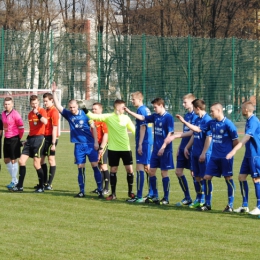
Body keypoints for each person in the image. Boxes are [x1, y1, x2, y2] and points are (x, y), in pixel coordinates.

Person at [173, 102, 239, 212]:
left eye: (212, 111)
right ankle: (207, 204)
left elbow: (236, 141)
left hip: (225, 157)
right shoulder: (211, 123)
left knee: (228, 179)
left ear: (219, 111)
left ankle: (230, 205)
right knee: (207, 178)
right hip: (214, 157)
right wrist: (184, 122)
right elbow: (197, 130)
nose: (211, 113)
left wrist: (231, 153)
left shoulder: (228, 124)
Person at [51, 82, 103, 198]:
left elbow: (93, 127)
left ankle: (100, 190)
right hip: (78, 145)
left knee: (95, 166)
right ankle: (82, 191)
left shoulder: (86, 115)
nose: (72, 109)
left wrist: (95, 142)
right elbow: (58, 106)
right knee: (80, 168)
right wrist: (53, 93)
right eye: (70, 107)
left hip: (89, 144)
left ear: (77, 106)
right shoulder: (69, 115)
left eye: (74, 107)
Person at [125, 97, 174, 205]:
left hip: (165, 150)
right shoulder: (155, 116)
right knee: (151, 171)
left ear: (161, 105)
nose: (154, 109)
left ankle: (166, 198)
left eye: (155, 107)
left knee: (163, 173)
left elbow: (170, 134)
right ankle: (155, 195)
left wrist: (163, 147)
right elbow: (143, 118)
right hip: (156, 150)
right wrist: (129, 112)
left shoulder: (168, 117)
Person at [164, 99, 212, 208]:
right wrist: (185, 146)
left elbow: (200, 132)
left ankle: (206, 201)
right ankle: (199, 199)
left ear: (197, 108)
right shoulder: (199, 118)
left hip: (202, 153)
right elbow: (193, 133)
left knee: (205, 177)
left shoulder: (207, 120)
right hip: (195, 152)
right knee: (197, 176)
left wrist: (204, 152)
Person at [84, 99, 135, 201]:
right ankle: (113, 194)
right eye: (123, 107)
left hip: (126, 149)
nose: (125, 109)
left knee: (129, 170)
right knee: (113, 170)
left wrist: (143, 142)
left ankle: (130, 192)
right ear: (117, 108)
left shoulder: (126, 118)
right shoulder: (108, 117)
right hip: (113, 149)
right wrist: (83, 108)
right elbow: (93, 116)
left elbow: (134, 130)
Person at [226, 101, 260, 215]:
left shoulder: (254, 121)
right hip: (248, 155)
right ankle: (245, 205)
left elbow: (246, 138)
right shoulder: (248, 121)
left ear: (246, 110)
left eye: (242, 108)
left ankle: (259, 206)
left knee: (256, 179)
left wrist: (234, 150)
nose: (240, 110)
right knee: (241, 177)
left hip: (255, 154)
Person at [10, 95, 48, 193]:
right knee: (21, 161)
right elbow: (32, 129)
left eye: (36, 103)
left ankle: (41, 186)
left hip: (39, 139)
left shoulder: (42, 111)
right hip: (31, 139)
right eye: (32, 104)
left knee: (36, 163)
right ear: (30, 104)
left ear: (38, 102)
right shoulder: (30, 114)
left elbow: (45, 121)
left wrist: (38, 113)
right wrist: (26, 140)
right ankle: (20, 186)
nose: (34, 105)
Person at [127, 91, 153, 203]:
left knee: (141, 168)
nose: (132, 101)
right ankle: (151, 194)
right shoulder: (146, 109)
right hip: (147, 141)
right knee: (147, 167)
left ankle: (140, 196)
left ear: (139, 99)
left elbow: (143, 125)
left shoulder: (141, 109)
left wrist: (140, 144)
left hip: (144, 142)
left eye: (133, 99)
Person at [175, 93, 198, 206]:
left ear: (192, 102)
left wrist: (176, 136)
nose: (183, 104)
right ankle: (187, 197)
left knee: (194, 173)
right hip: (183, 148)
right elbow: (185, 133)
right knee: (178, 172)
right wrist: (180, 147)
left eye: (185, 102)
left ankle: (199, 198)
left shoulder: (195, 116)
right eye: (183, 102)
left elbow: (192, 132)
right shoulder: (187, 115)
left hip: (192, 149)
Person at [2, 97, 25, 189]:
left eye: (8, 104)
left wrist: (18, 138)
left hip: (14, 138)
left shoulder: (16, 114)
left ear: (12, 104)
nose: (7, 106)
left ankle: (14, 180)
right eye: (5, 104)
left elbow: (21, 128)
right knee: (6, 160)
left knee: (13, 159)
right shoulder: (3, 114)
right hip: (6, 138)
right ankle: (14, 179)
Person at [40, 92, 59, 190]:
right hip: (44, 137)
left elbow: (54, 128)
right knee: (41, 160)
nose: (45, 103)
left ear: (52, 100)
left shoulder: (54, 112)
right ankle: (44, 182)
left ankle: (49, 184)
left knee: (51, 159)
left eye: (46, 101)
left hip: (51, 138)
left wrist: (53, 143)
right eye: (44, 101)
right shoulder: (45, 111)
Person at [89, 102, 110, 195]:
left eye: (95, 109)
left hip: (102, 145)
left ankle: (106, 188)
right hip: (95, 145)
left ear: (101, 110)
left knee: (103, 166)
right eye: (92, 109)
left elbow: (106, 134)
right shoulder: (92, 120)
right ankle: (100, 188)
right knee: (99, 166)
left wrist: (102, 147)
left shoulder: (103, 120)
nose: (93, 110)